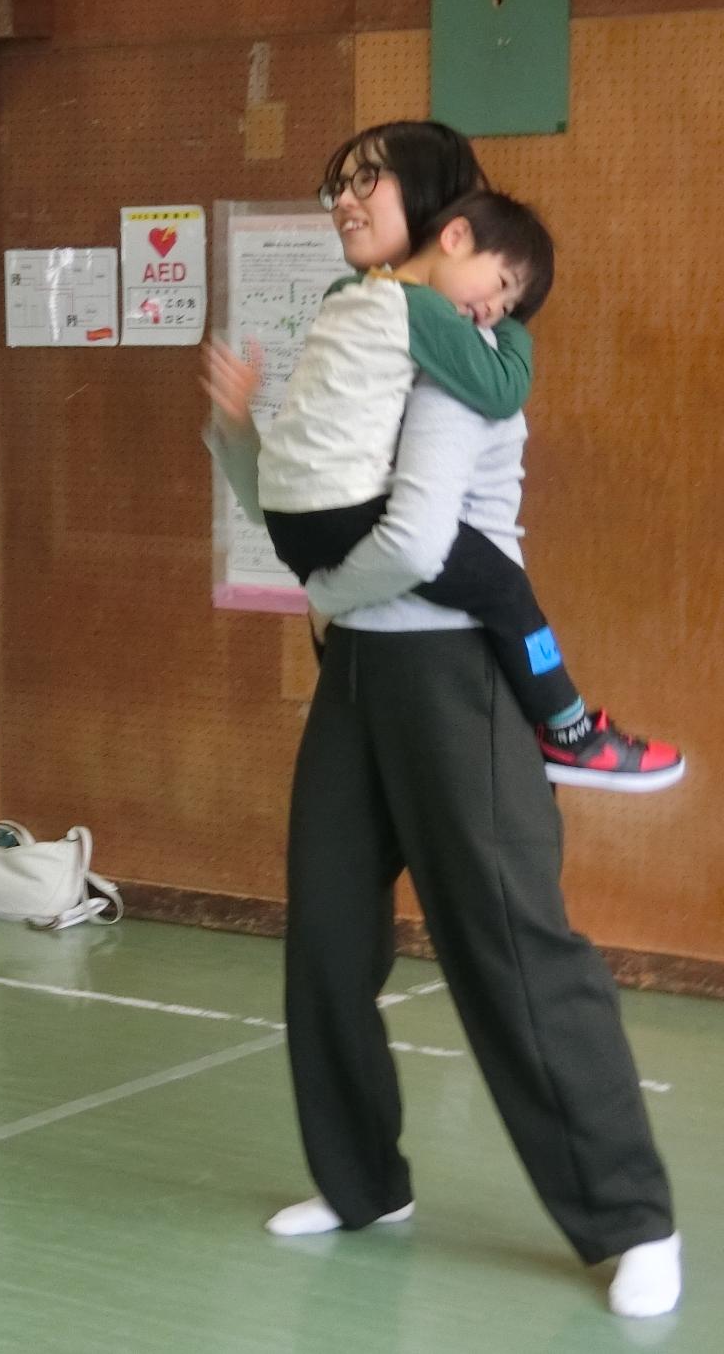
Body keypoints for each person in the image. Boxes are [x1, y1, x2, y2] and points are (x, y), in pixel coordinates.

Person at [203, 123, 680, 1319]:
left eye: (366, 179)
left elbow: (413, 544)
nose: (343, 197)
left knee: (511, 952)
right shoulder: (363, 324)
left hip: (453, 679)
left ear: (439, 211)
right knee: (323, 939)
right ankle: (360, 1184)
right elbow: (298, 503)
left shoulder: (461, 346)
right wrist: (236, 429)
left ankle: (629, 1220)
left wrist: (318, 592)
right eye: (339, 179)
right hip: (357, 673)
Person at [254, 185, 680, 789]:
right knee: (505, 588)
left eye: (508, 309)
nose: (492, 312)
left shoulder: (345, 296)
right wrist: (516, 334)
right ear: (454, 237)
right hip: (344, 510)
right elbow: (503, 389)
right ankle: (570, 733)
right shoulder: (419, 309)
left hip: (287, 516)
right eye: (502, 286)